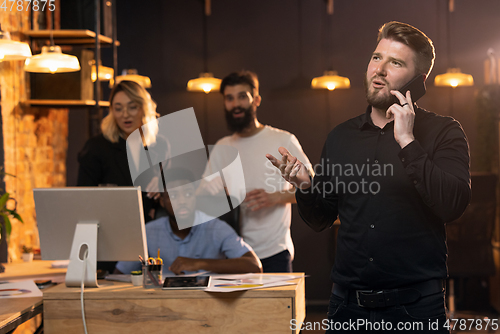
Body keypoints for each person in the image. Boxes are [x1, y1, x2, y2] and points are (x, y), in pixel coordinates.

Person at [267, 22, 470, 333]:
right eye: (377, 58)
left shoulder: (444, 131)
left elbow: (452, 205)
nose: (380, 70)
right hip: (347, 308)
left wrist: (407, 142)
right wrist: (305, 186)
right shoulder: (340, 137)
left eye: (396, 63)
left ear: (419, 80)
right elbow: (322, 218)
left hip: (416, 309)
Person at [198, 71, 313, 273]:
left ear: (256, 100)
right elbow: (202, 198)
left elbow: (312, 187)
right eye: (229, 98)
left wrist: (275, 197)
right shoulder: (222, 147)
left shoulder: (283, 140)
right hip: (233, 254)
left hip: (274, 252)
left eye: (242, 96)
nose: (236, 104)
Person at [116, 168, 262, 275]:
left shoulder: (216, 227)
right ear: (161, 201)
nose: (182, 201)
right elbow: (119, 274)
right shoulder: (147, 232)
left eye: (187, 194)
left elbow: (254, 265)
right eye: (173, 196)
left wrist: (200, 263)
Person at [77, 80, 168, 222]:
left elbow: (177, 189)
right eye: (118, 109)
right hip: (111, 226)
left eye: (132, 107)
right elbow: (83, 199)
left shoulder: (160, 145)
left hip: (152, 229)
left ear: (144, 108)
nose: (125, 114)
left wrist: (163, 184)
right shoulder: (96, 148)